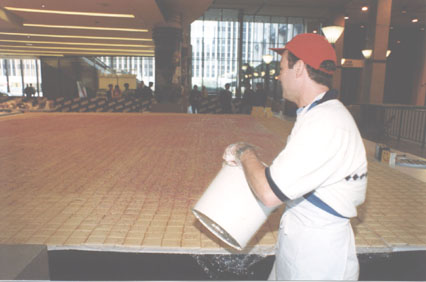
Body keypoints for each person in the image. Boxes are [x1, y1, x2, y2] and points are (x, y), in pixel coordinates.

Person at [222, 33, 367, 280]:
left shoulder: (326, 123)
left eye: (281, 68)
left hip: (318, 259)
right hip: (304, 244)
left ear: (299, 68)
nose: (279, 77)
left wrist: (244, 151)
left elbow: (269, 193)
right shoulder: (317, 115)